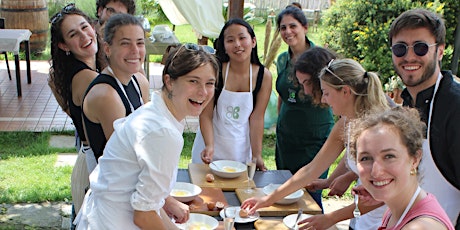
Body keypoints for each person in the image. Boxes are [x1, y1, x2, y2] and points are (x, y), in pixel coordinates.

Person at [75, 42, 219, 230]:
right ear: (169, 81)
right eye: (193, 81)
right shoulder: (162, 132)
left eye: (210, 83)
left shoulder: (159, 113)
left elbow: (149, 201)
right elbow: (143, 216)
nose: (203, 92)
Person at [242, 58, 390, 229]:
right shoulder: (345, 123)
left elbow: (381, 196)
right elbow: (311, 169)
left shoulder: (378, 132)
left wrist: (330, 218)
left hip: (385, 222)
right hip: (361, 221)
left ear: (345, 91)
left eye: (326, 93)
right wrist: (266, 200)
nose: (323, 100)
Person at [388, 9, 460, 227]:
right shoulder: (407, 102)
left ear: (440, 51)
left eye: (420, 47)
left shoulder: (455, 107)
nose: (409, 57)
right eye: (400, 48)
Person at [350, 107, 454, 230]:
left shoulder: (419, 227)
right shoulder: (397, 208)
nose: (375, 171)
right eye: (365, 158)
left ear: (415, 159)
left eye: (389, 156)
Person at [274, 5, 334, 209]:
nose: (287, 32)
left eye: (293, 26)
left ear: (305, 27)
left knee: (310, 194)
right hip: (287, 138)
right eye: (283, 28)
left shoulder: (322, 58)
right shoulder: (282, 60)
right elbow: (282, 95)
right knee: (284, 192)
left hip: (314, 138)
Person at [191, 18, 272, 169]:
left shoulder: (263, 76)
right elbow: (205, 114)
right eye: (230, 40)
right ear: (224, 46)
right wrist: (209, 146)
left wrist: (257, 155)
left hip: (240, 150)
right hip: (210, 148)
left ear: (253, 41)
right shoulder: (216, 70)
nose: (237, 44)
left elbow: (257, 118)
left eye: (242, 38)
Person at [48, 3, 101, 226]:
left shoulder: (77, 73)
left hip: (89, 162)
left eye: (84, 27)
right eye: (73, 34)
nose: (84, 36)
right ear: (64, 45)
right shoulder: (88, 78)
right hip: (93, 166)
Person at [82, 13, 150, 174]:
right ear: (107, 49)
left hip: (135, 177)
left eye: (140, 43)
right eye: (125, 44)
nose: (135, 50)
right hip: (112, 187)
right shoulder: (106, 95)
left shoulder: (139, 81)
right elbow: (124, 156)